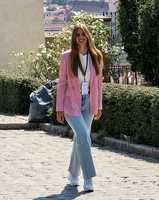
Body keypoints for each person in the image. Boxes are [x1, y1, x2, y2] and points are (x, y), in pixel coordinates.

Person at [56, 23, 104, 193]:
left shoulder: (97, 56)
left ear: (88, 36)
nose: (81, 37)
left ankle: (73, 176)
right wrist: (59, 108)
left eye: (83, 34)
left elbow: (98, 84)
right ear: (74, 38)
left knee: (79, 139)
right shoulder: (66, 57)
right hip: (71, 104)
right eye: (77, 35)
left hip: (89, 103)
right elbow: (62, 84)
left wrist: (98, 106)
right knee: (84, 136)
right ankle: (88, 178)